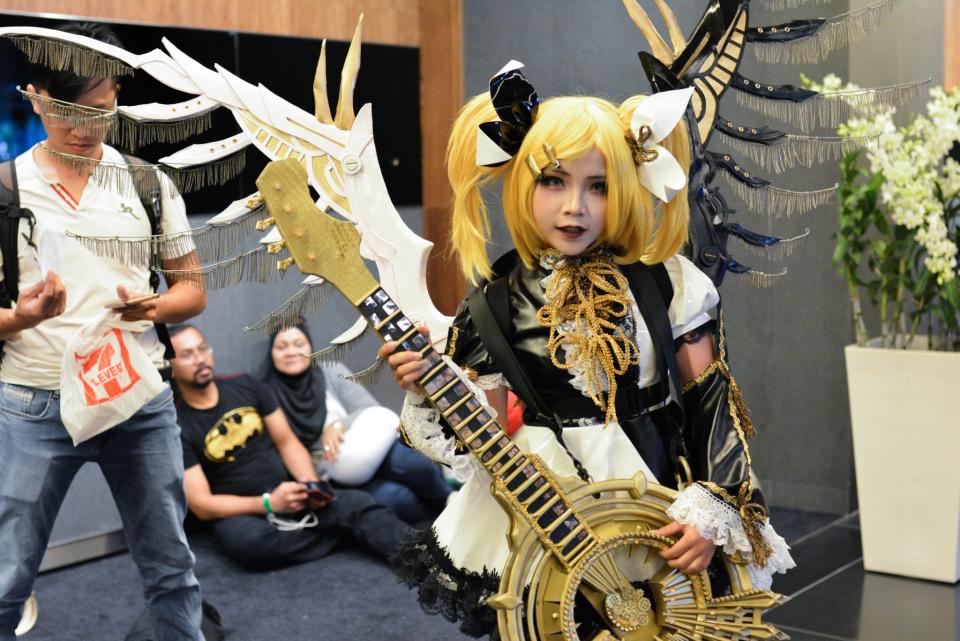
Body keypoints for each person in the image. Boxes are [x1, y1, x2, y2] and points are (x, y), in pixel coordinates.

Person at [381, 63, 795, 637]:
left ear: (626, 188)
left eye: (597, 186)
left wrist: (715, 504)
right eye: (553, 180)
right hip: (539, 510)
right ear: (523, 185)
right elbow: (490, 428)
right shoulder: (492, 303)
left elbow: (711, 400)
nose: (574, 206)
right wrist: (429, 389)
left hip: (655, 495)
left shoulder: (668, 283)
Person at [0, 23, 207, 641]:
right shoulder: (6, 189)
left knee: (172, 569)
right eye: (67, 113)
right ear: (34, 96)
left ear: (116, 92)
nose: (85, 129)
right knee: (8, 576)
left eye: (99, 109)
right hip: (35, 402)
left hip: (136, 399)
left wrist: (154, 308)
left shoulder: (147, 183)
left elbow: (192, 289)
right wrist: (25, 317)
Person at [170, 324, 414, 570]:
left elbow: (286, 442)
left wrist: (311, 485)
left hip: (289, 488)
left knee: (359, 504)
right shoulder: (176, 426)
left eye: (203, 349)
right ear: (169, 363)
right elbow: (202, 505)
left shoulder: (245, 386)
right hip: (240, 508)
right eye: (187, 354)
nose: (200, 359)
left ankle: (422, 559)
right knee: (249, 545)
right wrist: (267, 503)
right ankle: (348, 536)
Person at [262, 322, 452, 524]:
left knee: (416, 465)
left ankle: (451, 502)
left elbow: (370, 409)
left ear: (309, 347)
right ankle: (435, 527)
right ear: (271, 354)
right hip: (334, 475)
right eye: (282, 347)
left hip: (371, 448)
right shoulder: (267, 395)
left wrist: (337, 425)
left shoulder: (329, 370)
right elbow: (286, 448)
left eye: (299, 344)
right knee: (397, 498)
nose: (291, 352)